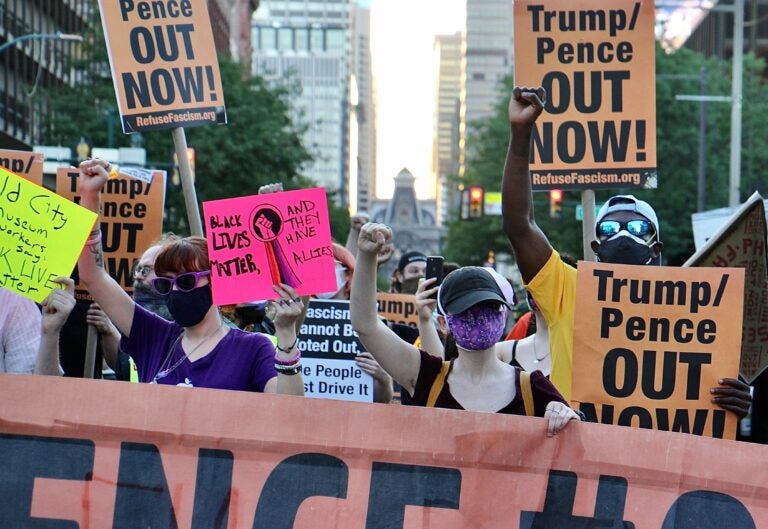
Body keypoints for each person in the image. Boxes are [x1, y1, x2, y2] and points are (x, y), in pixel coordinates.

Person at [500, 86, 750, 417]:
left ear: (656, 248)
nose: (621, 234)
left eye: (636, 229)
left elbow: (706, 395)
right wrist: (521, 134)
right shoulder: (568, 289)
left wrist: (737, 400)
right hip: (575, 459)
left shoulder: (692, 311)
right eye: (608, 229)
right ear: (595, 246)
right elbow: (519, 225)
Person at [75, 158, 304, 394]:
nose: (175, 291)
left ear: (215, 281)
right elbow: (92, 275)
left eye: (185, 281)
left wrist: (286, 334)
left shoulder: (253, 348)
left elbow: (287, 411)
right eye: (165, 284)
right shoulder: (153, 335)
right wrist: (90, 196)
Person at [351, 222, 580, 435]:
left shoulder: (534, 388)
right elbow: (367, 325)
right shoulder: (427, 376)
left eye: (488, 308)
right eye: (465, 310)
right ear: (443, 323)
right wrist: (367, 256)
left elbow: (579, 440)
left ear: (503, 316)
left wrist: (564, 416)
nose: (477, 317)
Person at [316, 242, 394, 404]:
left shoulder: (375, 326)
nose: (320, 273)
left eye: (328, 266)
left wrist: (383, 378)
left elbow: (383, 401)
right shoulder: (294, 319)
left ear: (347, 274)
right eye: (316, 267)